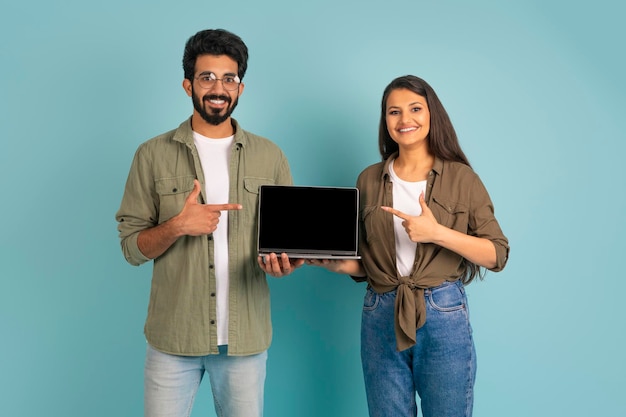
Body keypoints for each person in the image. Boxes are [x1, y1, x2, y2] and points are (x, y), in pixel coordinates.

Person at [115, 28, 304, 417]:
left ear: (240, 87)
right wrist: (177, 225)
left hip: (244, 341)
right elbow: (131, 249)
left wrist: (286, 264)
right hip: (172, 339)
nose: (218, 88)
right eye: (207, 77)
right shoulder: (151, 155)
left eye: (229, 78)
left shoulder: (271, 157)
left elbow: (287, 243)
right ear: (188, 85)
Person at [307, 75, 510, 417]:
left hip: (442, 312)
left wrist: (437, 233)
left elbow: (497, 254)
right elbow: (366, 263)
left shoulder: (462, 178)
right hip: (379, 312)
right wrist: (338, 264)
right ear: (385, 121)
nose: (405, 120)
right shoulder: (368, 179)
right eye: (394, 112)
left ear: (432, 115)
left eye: (415, 109)